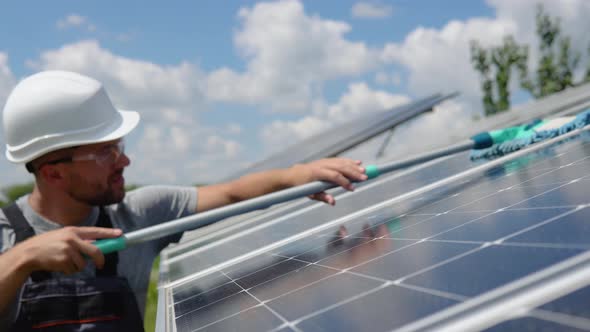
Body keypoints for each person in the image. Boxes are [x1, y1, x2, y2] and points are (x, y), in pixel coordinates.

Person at [0, 71, 367, 331]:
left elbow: (231, 193)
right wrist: (23, 258)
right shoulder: (6, 237)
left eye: (119, 147)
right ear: (53, 173)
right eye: (104, 154)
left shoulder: (138, 214)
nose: (124, 161)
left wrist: (295, 177)